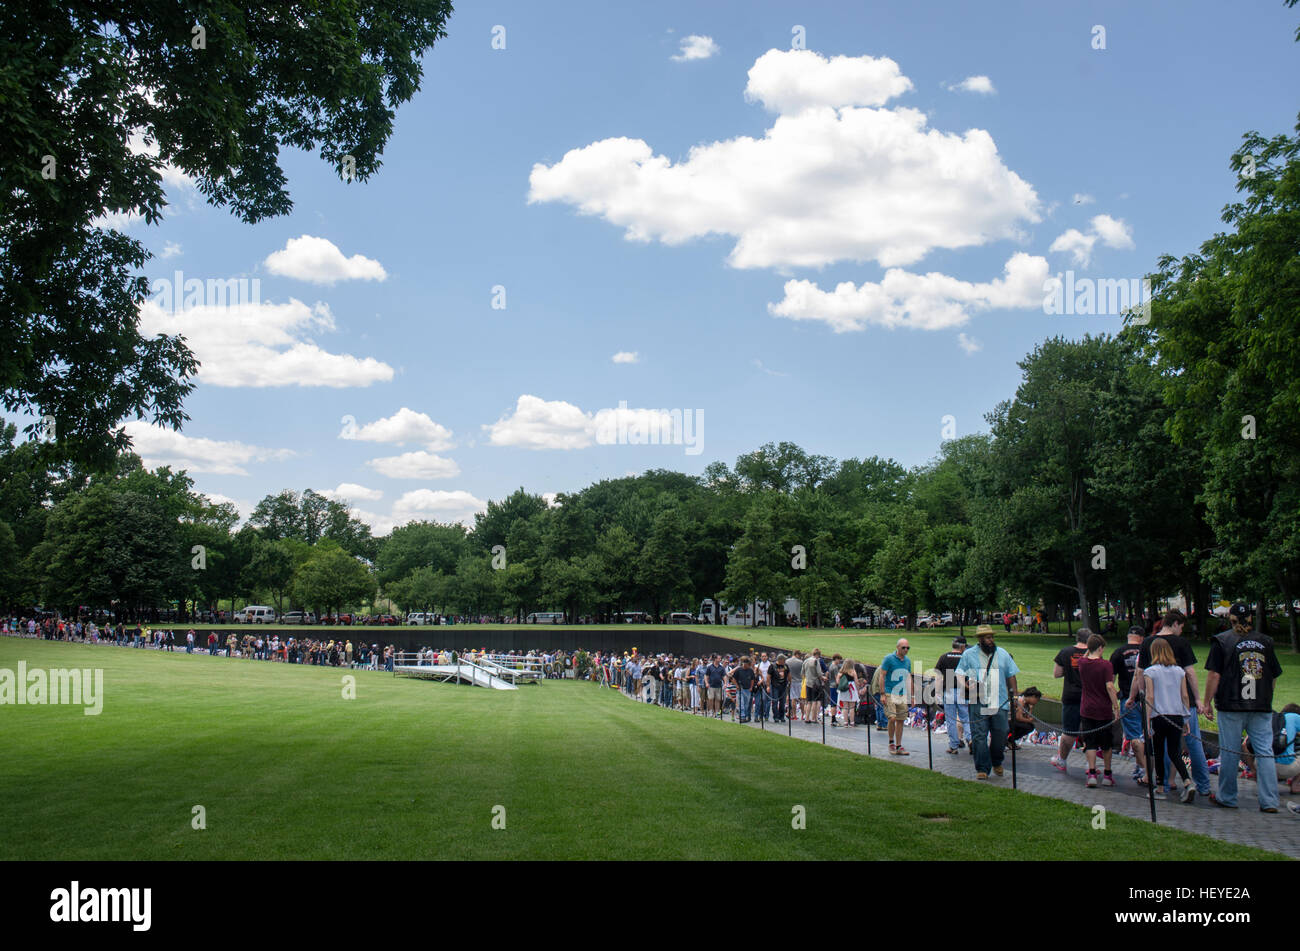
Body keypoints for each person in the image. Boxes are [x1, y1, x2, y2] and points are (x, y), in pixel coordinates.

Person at [1202, 603, 1284, 813]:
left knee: (1230, 751)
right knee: (1264, 752)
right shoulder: (1265, 641)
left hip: (1231, 704)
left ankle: (1227, 796)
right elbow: (1273, 675)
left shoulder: (1222, 641)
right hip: (1260, 704)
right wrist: (1267, 696)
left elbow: (1214, 675)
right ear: (1250, 618)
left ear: (1230, 619)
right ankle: (1270, 801)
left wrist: (1207, 701)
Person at [1132, 611, 1211, 799]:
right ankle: (1202, 784)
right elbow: (1190, 673)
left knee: (1161, 749)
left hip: (1158, 708)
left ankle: (1164, 784)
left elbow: (1140, 673)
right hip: (1181, 707)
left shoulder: (1148, 644)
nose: (1181, 631)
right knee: (1193, 744)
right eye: (1181, 627)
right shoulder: (1180, 652)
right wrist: (1198, 700)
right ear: (1175, 624)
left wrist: (1142, 700)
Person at [956, 626, 1019, 780]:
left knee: (1001, 732)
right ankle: (982, 767)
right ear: (980, 639)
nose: (991, 640)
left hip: (999, 701)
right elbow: (958, 673)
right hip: (978, 701)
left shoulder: (1003, 654)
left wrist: (1015, 696)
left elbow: (1011, 675)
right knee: (979, 735)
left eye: (992, 637)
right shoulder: (968, 655)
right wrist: (965, 685)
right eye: (987, 638)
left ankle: (996, 760)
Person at [1143, 638, 1196, 803]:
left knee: (1158, 752)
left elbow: (1150, 696)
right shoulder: (1179, 671)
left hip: (1159, 716)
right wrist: (1186, 717)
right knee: (1175, 752)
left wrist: (1147, 719)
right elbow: (1185, 696)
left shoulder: (1150, 672)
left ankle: (1159, 787)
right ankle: (1187, 781)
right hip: (1176, 715)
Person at [1078, 633, 1120, 788]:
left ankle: (1092, 772)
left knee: (1091, 742)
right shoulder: (1106, 665)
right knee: (1106, 743)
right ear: (1101, 648)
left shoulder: (1082, 663)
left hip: (1087, 707)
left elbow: (1085, 656)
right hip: (1103, 708)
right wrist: (1116, 706)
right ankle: (1108, 774)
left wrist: (1089, 649)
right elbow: (1109, 686)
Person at [1110, 626, 1148, 784]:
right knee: (1147, 735)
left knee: (1134, 737)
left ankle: (1143, 768)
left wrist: (1114, 702)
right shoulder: (1148, 651)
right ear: (1141, 637)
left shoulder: (1118, 653)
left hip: (1128, 698)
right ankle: (1150, 767)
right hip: (1149, 699)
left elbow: (1110, 680)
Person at [1050, 629, 1089, 774]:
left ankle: (1062, 759)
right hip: (1089, 695)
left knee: (1068, 731)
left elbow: (1057, 673)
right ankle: (1090, 765)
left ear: (1077, 637)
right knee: (1090, 730)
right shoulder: (1094, 652)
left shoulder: (1065, 652)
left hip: (1071, 695)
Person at [936, 637, 969, 754]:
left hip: (948, 690)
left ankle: (953, 746)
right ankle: (970, 740)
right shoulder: (965, 658)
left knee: (951, 719)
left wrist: (938, 693)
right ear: (962, 647)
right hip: (962, 691)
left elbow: (938, 676)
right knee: (966, 718)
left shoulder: (944, 657)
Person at [879, 640, 912, 755]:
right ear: (898, 647)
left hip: (902, 693)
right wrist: (882, 693)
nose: (906, 650)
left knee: (901, 720)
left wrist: (911, 695)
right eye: (904, 647)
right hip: (889, 692)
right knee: (892, 718)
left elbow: (908, 678)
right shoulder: (889, 658)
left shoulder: (907, 661)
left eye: (908, 648)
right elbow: (882, 675)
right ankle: (891, 742)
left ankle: (899, 745)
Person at [1275, 703, 1300, 794]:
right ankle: (1296, 785)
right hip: (1285, 769)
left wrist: (1253, 770)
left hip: (1262, 766)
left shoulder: (1273, 718)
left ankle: (1265, 783)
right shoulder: (1295, 717)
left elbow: (1245, 745)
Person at [730, 656, 757, 723]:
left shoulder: (750, 670)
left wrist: (751, 687)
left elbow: (752, 679)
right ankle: (742, 717)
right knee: (741, 703)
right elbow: (733, 678)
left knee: (746, 704)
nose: (746, 666)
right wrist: (736, 685)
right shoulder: (739, 670)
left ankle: (745, 716)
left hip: (748, 689)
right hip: (740, 689)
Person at [803, 649, 825, 724]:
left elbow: (802, 672)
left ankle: (806, 718)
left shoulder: (806, 661)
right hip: (815, 684)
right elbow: (819, 673)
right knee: (815, 701)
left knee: (809, 702)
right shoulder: (816, 661)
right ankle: (814, 718)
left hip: (808, 682)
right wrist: (823, 678)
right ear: (818, 655)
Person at [836, 658, 858, 728]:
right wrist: (857, 689)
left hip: (844, 690)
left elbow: (837, 681)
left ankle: (845, 723)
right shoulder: (853, 671)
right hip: (851, 689)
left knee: (845, 707)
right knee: (852, 707)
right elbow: (856, 681)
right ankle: (852, 722)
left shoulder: (841, 672)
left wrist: (842, 684)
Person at [769, 655, 790, 723]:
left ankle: (782, 716)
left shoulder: (786, 666)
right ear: (780, 660)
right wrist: (768, 686)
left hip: (783, 686)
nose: (784, 662)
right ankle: (776, 716)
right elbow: (768, 676)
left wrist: (790, 683)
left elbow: (789, 674)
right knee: (775, 702)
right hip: (775, 686)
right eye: (784, 660)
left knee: (782, 702)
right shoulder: (772, 666)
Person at [786, 652, 804, 723]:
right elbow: (803, 672)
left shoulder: (787, 661)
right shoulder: (800, 662)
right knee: (800, 698)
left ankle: (794, 715)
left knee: (793, 698)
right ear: (797, 654)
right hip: (799, 681)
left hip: (791, 681)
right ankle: (803, 714)